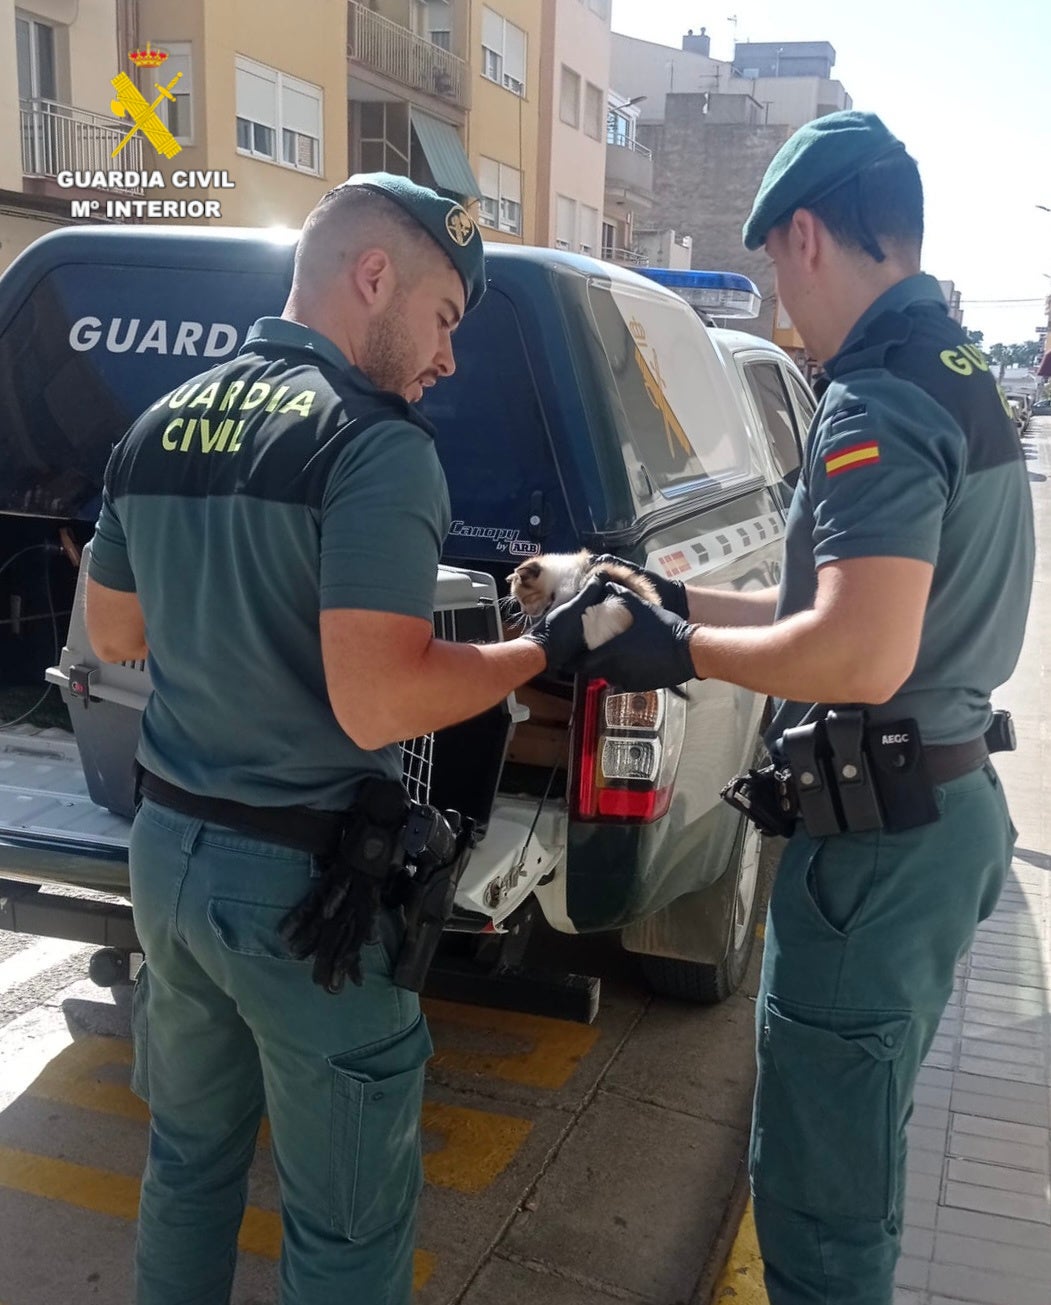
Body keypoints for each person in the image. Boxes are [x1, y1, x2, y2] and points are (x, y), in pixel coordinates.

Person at [84, 173, 596, 1305]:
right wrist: (542, 650)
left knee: (187, 1173)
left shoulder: (159, 424)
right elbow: (380, 701)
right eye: (444, 318)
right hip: (305, 896)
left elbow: (115, 630)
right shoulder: (376, 445)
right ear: (374, 277)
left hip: (167, 857)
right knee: (345, 1227)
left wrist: (232, 628)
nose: (447, 357)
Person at [573, 112, 1035, 1304]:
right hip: (937, 817)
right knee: (853, 1152)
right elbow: (823, 606)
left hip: (877, 852)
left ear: (810, 235)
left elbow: (857, 650)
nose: (781, 305)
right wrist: (672, 601)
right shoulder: (959, 370)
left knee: (822, 1218)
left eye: (776, 267)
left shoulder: (877, 397)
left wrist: (678, 656)